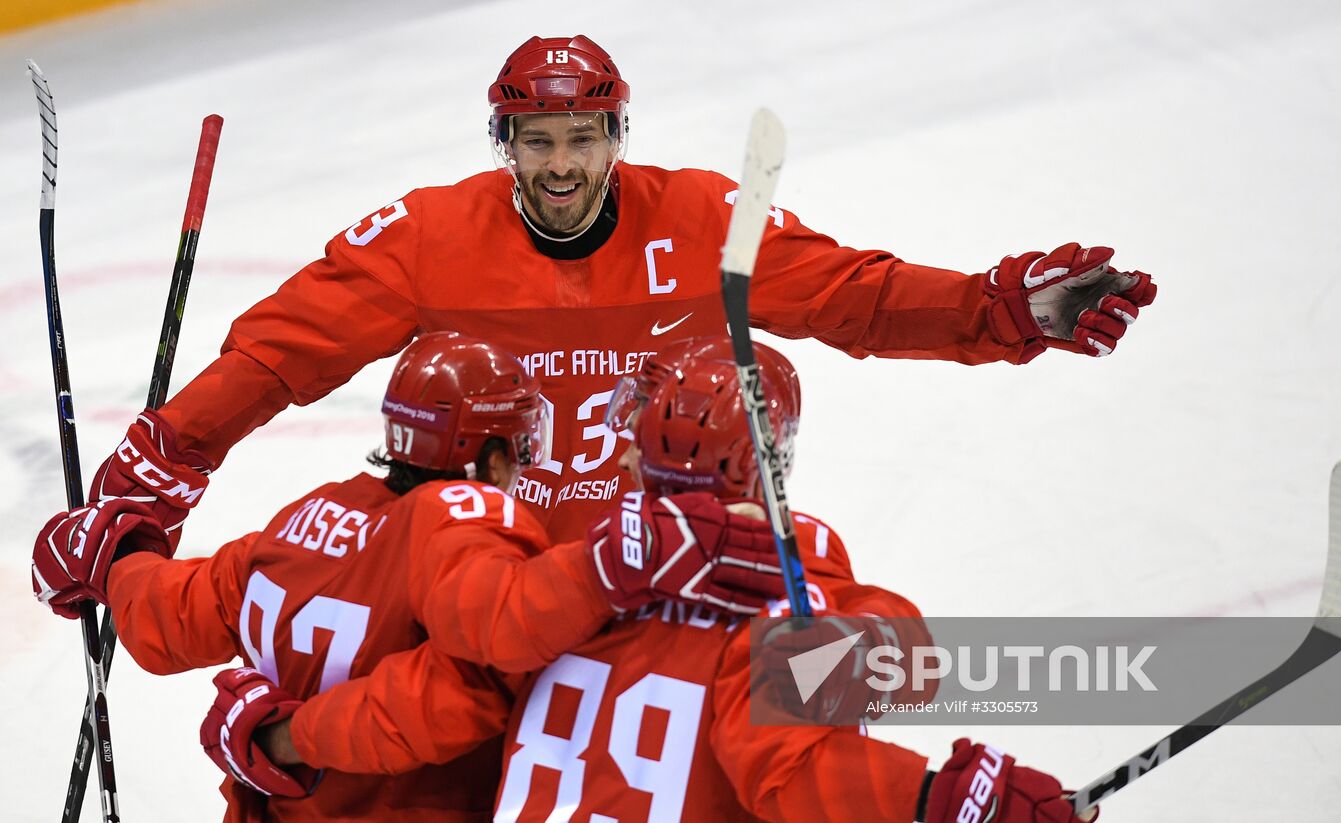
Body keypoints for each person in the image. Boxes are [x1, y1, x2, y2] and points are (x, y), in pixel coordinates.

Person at [74, 33, 1158, 547]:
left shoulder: (695, 218)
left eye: (580, 139)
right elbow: (281, 353)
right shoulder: (427, 233)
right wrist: (170, 452)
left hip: (655, 563)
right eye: (536, 140)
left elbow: (850, 298)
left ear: (612, 137)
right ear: (504, 141)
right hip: (476, 576)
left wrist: (997, 310)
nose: (558, 165)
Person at [197, 337, 1092, 823]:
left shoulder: (565, 580)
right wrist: (945, 800)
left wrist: (284, 738)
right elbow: (808, 757)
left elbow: (445, 683)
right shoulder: (783, 595)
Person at [31, 332, 784, 822]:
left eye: (634, 444)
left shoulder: (308, 517)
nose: (612, 465)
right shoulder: (784, 585)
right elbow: (473, 672)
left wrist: (118, 554)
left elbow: (170, 622)